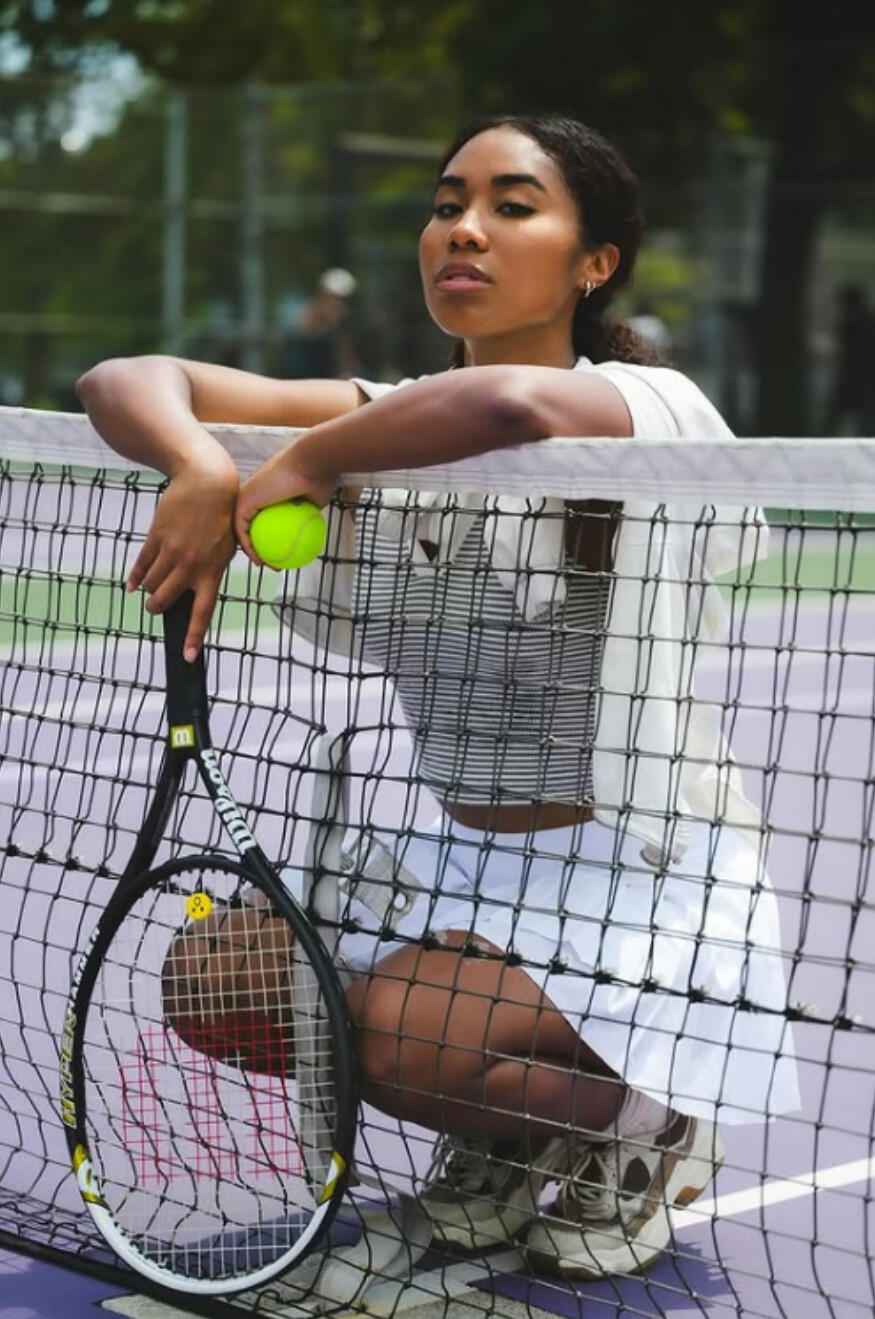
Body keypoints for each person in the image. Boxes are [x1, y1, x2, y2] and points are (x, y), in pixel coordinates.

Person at [75, 112, 800, 1280]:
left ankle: (647, 1119)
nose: (463, 228)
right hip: (461, 865)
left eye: (511, 206)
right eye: (445, 203)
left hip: (642, 879)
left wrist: (307, 458)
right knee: (218, 977)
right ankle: (511, 1134)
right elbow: (124, 379)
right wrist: (200, 460)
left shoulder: (642, 408)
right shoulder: (387, 410)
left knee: (397, 1027)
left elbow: (513, 407)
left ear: (593, 261)